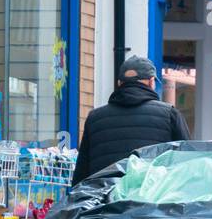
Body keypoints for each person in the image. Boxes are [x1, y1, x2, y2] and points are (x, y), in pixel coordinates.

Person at [72, 56, 190, 184]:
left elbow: (81, 173)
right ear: (151, 82)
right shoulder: (170, 114)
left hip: (106, 199)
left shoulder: (94, 118)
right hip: (151, 198)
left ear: (119, 83)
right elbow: (188, 162)